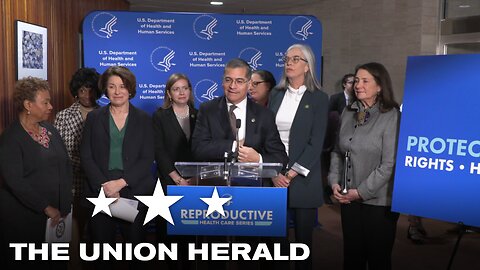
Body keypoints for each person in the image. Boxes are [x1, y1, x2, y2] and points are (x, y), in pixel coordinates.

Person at [80, 66, 154, 269]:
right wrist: (105, 186)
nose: (117, 91)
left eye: (122, 86)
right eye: (112, 86)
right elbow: (86, 155)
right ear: (105, 89)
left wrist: (120, 183)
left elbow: (147, 157)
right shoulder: (94, 118)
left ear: (130, 89)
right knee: (103, 253)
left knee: (135, 252)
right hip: (101, 192)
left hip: (132, 190)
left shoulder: (144, 119)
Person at [328, 62, 400, 270]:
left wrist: (360, 192)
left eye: (365, 80)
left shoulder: (392, 116)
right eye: (356, 80)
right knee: (352, 257)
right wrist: (334, 182)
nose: (358, 85)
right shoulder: (348, 112)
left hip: (379, 203)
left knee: (378, 259)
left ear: (379, 86)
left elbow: (389, 165)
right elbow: (336, 151)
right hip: (348, 201)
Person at [0, 77, 72, 268]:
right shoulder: (11, 138)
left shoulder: (50, 130)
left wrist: (65, 204)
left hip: (56, 219)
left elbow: (65, 166)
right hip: (24, 220)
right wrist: (45, 207)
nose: (51, 106)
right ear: (28, 105)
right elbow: (15, 181)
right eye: (45, 102)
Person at [269, 43, 329, 270]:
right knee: (276, 240)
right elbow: (268, 136)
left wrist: (291, 173)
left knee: (303, 242)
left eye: (295, 59)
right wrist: (276, 173)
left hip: (303, 178)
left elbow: (316, 142)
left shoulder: (319, 98)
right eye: (287, 59)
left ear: (307, 66)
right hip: (275, 176)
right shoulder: (276, 94)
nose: (289, 63)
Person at [191, 58, 287, 167]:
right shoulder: (208, 110)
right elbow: (198, 150)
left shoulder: (264, 115)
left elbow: (280, 158)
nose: (232, 86)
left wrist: (258, 159)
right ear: (222, 82)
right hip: (216, 181)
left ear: (249, 84)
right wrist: (233, 146)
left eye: (239, 81)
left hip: (252, 181)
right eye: (228, 80)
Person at [152, 73, 197, 270]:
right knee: (168, 238)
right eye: (176, 89)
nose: (181, 92)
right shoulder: (160, 116)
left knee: (189, 237)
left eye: (185, 88)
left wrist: (194, 178)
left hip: (195, 183)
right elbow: (159, 151)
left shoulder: (200, 114)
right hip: (168, 182)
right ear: (169, 93)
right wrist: (178, 179)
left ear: (190, 91)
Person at [54, 67, 101, 245]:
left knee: (98, 235)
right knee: (74, 234)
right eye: (82, 90)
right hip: (73, 184)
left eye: (91, 90)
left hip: (99, 184)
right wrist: (88, 165)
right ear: (76, 92)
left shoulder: (106, 114)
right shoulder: (63, 116)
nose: (87, 95)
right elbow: (60, 152)